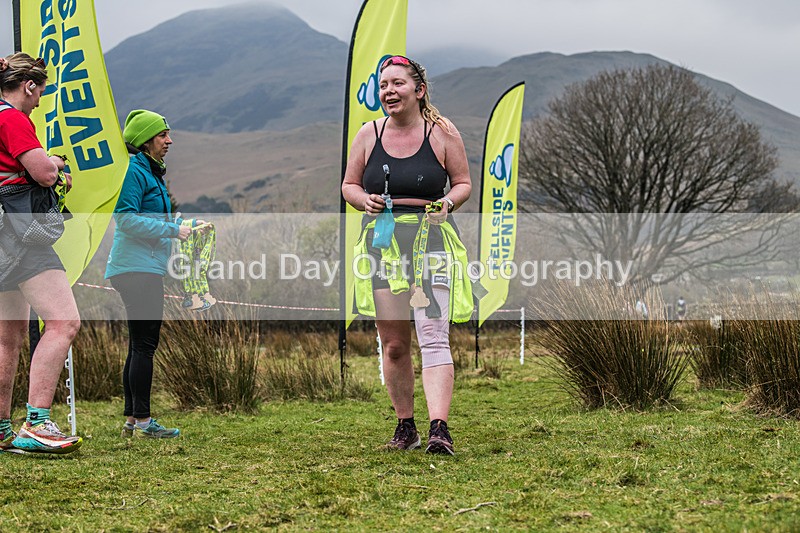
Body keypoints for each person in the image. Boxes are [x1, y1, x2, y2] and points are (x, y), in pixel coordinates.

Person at [342, 55, 473, 455]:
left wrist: (448, 203)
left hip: (431, 241)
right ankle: (405, 427)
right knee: (394, 344)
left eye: (397, 83)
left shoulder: (443, 133)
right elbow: (348, 184)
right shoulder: (368, 134)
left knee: (433, 336)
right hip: (384, 244)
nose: (388, 92)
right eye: (383, 85)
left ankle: (440, 430)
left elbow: (463, 182)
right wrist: (364, 200)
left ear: (419, 90)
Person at [0, 53, 82, 454]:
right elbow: (44, 174)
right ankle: (37, 422)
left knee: (7, 338)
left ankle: (1, 429)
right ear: (28, 85)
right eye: (40, 92)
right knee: (64, 322)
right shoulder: (12, 118)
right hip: (23, 235)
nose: (39, 101)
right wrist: (58, 162)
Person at [105, 109, 197, 439]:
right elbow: (125, 219)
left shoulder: (150, 172)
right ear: (145, 142)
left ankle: (132, 419)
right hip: (136, 268)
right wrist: (173, 229)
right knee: (146, 344)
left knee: (138, 345)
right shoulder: (135, 171)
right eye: (162, 135)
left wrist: (179, 226)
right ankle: (145, 422)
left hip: (140, 267)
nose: (169, 140)